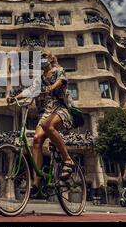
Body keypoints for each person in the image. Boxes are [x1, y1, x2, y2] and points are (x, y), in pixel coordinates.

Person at [7, 51, 75, 198]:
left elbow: (62, 81)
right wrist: (14, 97)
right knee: (37, 140)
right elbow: (31, 90)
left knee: (47, 126)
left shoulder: (58, 71)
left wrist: (52, 87)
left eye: (44, 58)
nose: (41, 61)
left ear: (50, 60)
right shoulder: (40, 78)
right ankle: (36, 183)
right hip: (45, 112)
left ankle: (68, 159)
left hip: (61, 109)